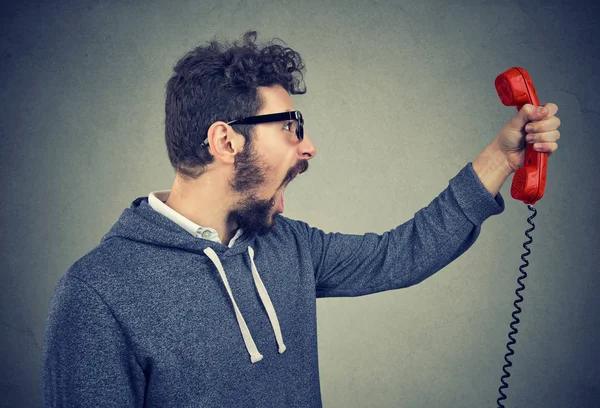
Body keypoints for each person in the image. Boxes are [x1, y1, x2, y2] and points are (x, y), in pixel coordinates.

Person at [41, 31, 560, 407]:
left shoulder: (289, 247)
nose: (309, 146)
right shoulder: (96, 295)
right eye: (291, 128)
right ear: (226, 141)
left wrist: (501, 157)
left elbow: (403, 253)